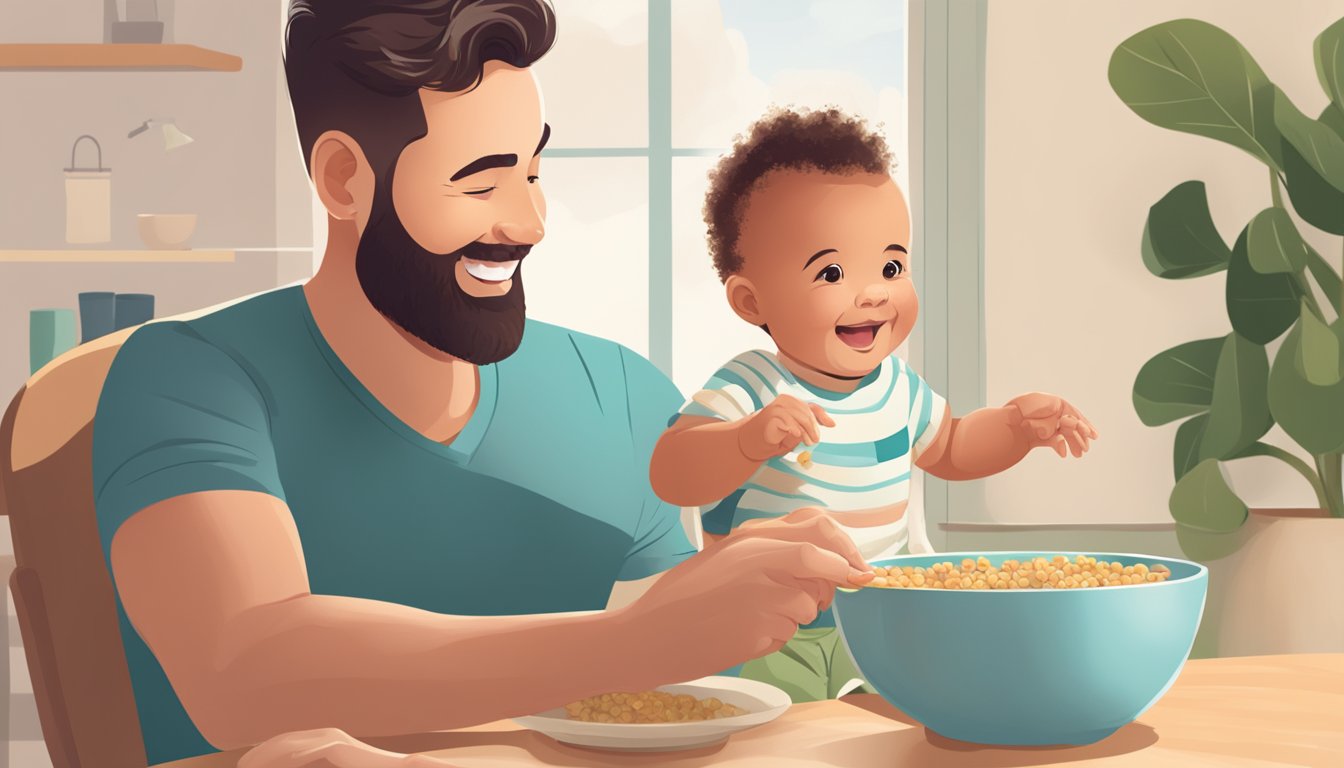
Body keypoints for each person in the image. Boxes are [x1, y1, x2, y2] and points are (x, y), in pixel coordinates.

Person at [91, 4, 872, 764]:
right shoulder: (191, 379)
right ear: (342, 179)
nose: (530, 220)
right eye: (483, 182)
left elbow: (673, 695)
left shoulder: (622, 395)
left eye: (533, 171)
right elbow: (242, 672)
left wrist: (736, 596)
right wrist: (638, 639)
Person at [650, 107, 1098, 703]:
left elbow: (954, 447)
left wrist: (1016, 427)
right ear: (751, 300)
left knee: (904, 722)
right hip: (769, 628)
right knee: (779, 730)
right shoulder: (752, 384)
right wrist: (745, 440)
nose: (873, 292)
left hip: (886, 616)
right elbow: (673, 472)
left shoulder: (899, 388)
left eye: (892, 265)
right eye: (831, 272)